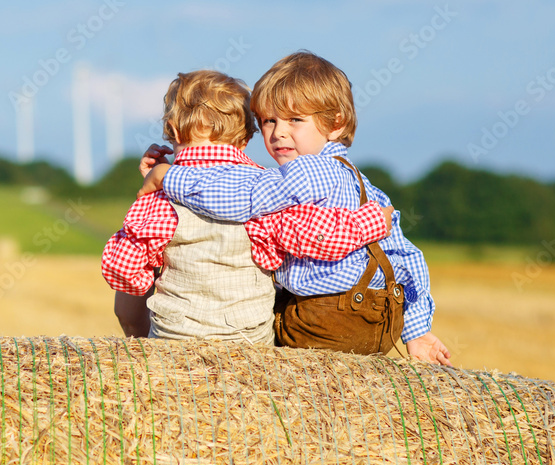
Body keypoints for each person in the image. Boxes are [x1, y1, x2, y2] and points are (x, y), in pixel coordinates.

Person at [140, 52, 452, 365]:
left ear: (335, 123)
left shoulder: (307, 171)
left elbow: (238, 200)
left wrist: (169, 177)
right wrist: (416, 330)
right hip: (374, 321)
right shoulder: (363, 184)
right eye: (268, 121)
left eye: (295, 120)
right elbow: (407, 255)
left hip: (319, 317)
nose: (278, 133)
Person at [102, 69, 392, 344]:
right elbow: (312, 234)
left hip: (174, 336)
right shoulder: (268, 188)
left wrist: (147, 195)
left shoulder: (160, 197)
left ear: (173, 130)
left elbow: (124, 271)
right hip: (249, 340)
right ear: (247, 136)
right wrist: (369, 223)